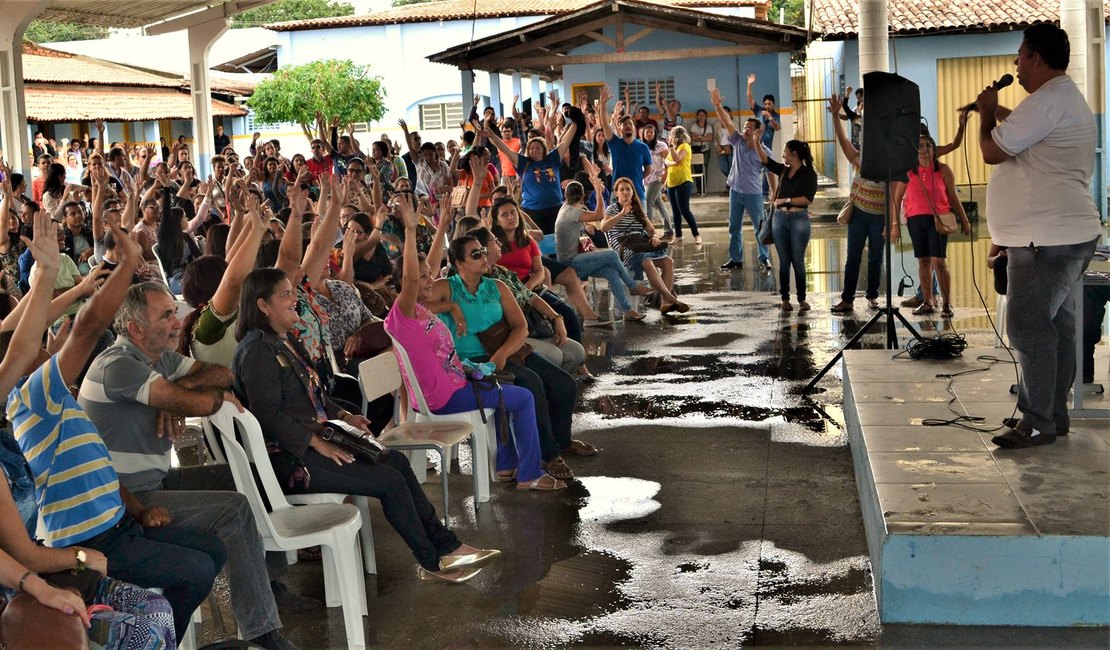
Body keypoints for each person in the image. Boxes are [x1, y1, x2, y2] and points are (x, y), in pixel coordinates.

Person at [9, 212, 220, 644]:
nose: (49, 343)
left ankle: (163, 639)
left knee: (212, 551)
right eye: (36, 345)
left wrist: (141, 511)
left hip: (119, 525)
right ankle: (160, 640)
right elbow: (86, 329)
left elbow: (102, 471)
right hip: (91, 542)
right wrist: (126, 266)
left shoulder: (56, 398)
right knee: (197, 569)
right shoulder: (31, 399)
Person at [233, 266, 505, 584]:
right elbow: (268, 415)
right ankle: (432, 562)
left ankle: (448, 545)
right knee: (388, 481)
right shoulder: (256, 351)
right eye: (285, 295)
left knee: (396, 461)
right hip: (289, 461)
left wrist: (345, 417)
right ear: (262, 305)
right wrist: (317, 442)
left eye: (292, 292)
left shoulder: (284, 342)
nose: (295, 299)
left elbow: (314, 398)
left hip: (311, 446)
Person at [79, 282, 300, 649]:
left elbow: (223, 375)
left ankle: (270, 585)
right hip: (128, 498)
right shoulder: (117, 365)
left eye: (174, 311)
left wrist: (174, 391)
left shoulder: (158, 359)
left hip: (156, 481)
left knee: (247, 479)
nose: (178, 322)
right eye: (166, 315)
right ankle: (262, 630)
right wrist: (178, 397)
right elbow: (202, 404)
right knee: (235, 509)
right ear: (135, 329)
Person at [975, 23, 1101, 449]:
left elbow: (992, 151)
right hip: (1060, 233)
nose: (1015, 62)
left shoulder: (1047, 101)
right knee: (1056, 326)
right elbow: (1028, 141)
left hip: (1046, 239)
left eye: (1020, 54)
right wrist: (997, 112)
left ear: (1036, 58)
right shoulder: (1059, 99)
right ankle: (1053, 415)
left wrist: (984, 115)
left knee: (1028, 326)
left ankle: (1036, 421)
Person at [385, 198, 564, 492]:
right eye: (424, 277)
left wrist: (472, 364)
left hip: (454, 383)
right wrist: (410, 230)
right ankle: (530, 474)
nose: (431, 280)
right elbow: (410, 276)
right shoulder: (403, 315)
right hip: (444, 397)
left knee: (504, 387)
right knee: (523, 397)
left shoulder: (422, 310)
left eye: (431, 274)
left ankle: (506, 465)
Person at [431, 231, 588, 480]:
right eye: (476, 254)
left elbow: (520, 326)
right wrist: (451, 307)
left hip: (506, 352)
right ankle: (548, 456)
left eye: (483, 251)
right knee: (533, 384)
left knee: (564, 385)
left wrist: (503, 353)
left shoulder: (497, 287)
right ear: (459, 264)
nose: (484, 256)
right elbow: (412, 306)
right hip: (472, 361)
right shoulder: (446, 287)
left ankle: (561, 441)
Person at [890, 135, 971, 318]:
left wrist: (964, 220)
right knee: (923, 261)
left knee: (939, 262)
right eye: (920, 145)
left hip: (938, 219)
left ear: (934, 149)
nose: (924, 149)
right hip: (915, 220)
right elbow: (896, 198)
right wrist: (895, 224)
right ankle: (927, 301)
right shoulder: (908, 172)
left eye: (928, 145)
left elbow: (953, 196)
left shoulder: (943, 170)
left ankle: (947, 304)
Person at [555, 171, 652, 322]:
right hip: (571, 262)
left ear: (566, 196)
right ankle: (632, 285)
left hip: (575, 259)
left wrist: (587, 226)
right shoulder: (571, 211)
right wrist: (599, 191)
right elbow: (599, 215)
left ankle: (628, 311)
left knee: (612, 273)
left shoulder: (566, 208)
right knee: (612, 254)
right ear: (582, 197)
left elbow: (590, 222)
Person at [827, 92, 889, 313]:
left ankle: (873, 296)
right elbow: (844, 140)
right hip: (859, 214)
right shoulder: (859, 158)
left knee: (875, 257)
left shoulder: (888, 164)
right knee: (852, 257)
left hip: (880, 216)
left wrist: (892, 222)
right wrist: (835, 116)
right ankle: (847, 299)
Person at [602, 177, 688, 315]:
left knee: (668, 262)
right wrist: (621, 214)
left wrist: (654, 237)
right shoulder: (612, 209)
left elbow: (651, 230)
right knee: (646, 261)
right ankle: (670, 298)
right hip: (622, 246)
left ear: (632, 193)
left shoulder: (638, 209)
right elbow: (604, 227)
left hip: (640, 244)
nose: (625, 192)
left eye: (628, 190)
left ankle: (665, 303)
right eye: (621, 190)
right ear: (616, 193)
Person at [479, 118, 577, 234]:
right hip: (533, 211)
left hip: (556, 208)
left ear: (544, 149)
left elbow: (565, 142)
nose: (534, 150)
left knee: (557, 241)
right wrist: (492, 136)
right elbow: (505, 149)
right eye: (531, 148)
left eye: (538, 148)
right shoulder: (523, 162)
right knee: (539, 243)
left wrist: (575, 123)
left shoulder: (552, 159)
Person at [755, 138, 818, 312]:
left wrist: (785, 200)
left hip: (799, 219)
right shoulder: (783, 170)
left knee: (798, 261)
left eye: (785, 152)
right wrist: (756, 141)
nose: (783, 155)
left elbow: (808, 199)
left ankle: (802, 299)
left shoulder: (809, 174)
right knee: (784, 261)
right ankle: (785, 299)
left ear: (794, 154)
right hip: (779, 220)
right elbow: (765, 161)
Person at [711, 88, 771, 270]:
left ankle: (764, 258)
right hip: (736, 192)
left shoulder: (764, 152)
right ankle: (736, 259)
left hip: (754, 194)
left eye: (749, 128)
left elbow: (771, 173)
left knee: (760, 228)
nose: (745, 130)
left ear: (757, 132)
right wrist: (717, 105)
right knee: (734, 228)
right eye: (744, 127)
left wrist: (774, 194)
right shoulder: (737, 141)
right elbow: (727, 122)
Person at [598, 86, 653, 202]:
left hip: (637, 194)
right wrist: (603, 103)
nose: (627, 126)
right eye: (624, 124)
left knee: (641, 221)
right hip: (617, 194)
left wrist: (636, 178)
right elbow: (604, 124)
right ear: (620, 129)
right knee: (616, 221)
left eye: (630, 124)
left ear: (635, 129)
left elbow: (649, 169)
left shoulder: (643, 147)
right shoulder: (614, 143)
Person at [663, 126, 701, 244]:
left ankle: (696, 235)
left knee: (684, 209)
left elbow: (677, 158)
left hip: (683, 181)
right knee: (675, 211)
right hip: (671, 182)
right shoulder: (673, 148)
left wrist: (671, 151)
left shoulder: (685, 147)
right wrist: (672, 161)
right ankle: (678, 235)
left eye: (672, 135)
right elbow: (667, 161)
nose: (670, 138)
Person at [747, 73, 780, 198]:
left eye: (769, 104)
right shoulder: (760, 111)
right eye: (765, 104)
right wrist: (749, 85)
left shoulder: (776, 116)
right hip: (756, 145)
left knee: (769, 170)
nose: (767, 106)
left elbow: (777, 127)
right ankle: (757, 193)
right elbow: (750, 99)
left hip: (767, 148)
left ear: (773, 104)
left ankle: (768, 195)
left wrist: (770, 117)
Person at [640, 124, 672, 240]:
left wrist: (665, 176)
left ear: (655, 134)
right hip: (647, 179)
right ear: (643, 134)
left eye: (651, 132)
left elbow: (668, 161)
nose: (649, 134)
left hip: (658, 178)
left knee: (648, 201)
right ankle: (669, 231)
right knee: (659, 204)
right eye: (647, 132)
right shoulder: (641, 146)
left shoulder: (661, 145)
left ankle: (648, 232)